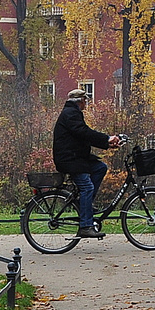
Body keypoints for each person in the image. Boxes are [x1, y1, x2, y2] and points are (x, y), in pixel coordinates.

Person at [52, 88, 122, 238]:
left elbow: (84, 136)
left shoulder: (72, 113)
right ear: (81, 101)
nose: (86, 104)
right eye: (86, 101)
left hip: (75, 158)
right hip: (70, 160)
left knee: (100, 168)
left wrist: (107, 143)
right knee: (87, 187)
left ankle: (86, 204)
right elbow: (83, 132)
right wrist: (106, 139)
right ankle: (85, 225)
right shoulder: (70, 114)